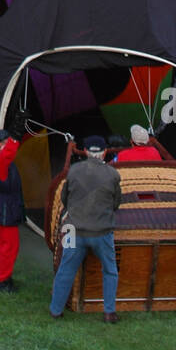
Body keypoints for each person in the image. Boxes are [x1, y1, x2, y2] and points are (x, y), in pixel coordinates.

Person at [50, 136, 122, 322]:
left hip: (74, 230)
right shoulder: (113, 174)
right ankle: (109, 312)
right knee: (110, 270)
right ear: (105, 152)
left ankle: (56, 310)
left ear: (86, 151)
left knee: (66, 269)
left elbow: (65, 199)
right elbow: (116, 203)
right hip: (102, 231)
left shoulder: (73, 171)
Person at [0, 120, 27, 293]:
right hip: (5, 208)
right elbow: (9, 153)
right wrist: (16, 135)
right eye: (6, 142)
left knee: (5, 245)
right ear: (0, 145)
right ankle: (4, 281)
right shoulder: (0, 160)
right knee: (10, 247)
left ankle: (4, 277)